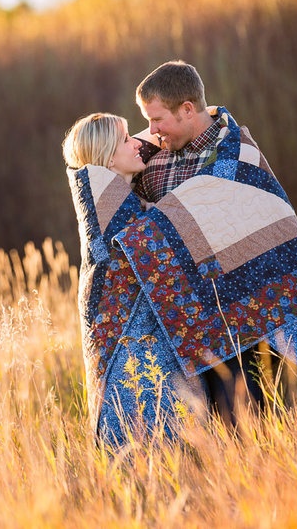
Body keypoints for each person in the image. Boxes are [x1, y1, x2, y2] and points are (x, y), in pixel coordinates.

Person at [129, 60, 297, 424]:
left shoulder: (238, 154)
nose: (151, 131)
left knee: (288, 414)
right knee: (228, 425)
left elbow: (273, 225)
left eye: (157, 120)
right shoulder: (153, 167)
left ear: (187, 109)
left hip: (256, 309)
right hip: (202, 320)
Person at [63, 113, 204, 446]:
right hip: (129, 339)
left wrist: (194, 118)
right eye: (127, 140)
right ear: (110, 157)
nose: (139, 144)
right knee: (145, 439)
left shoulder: (117, 195)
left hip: (150, 338)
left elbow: (142, 144)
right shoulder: (110, 209)